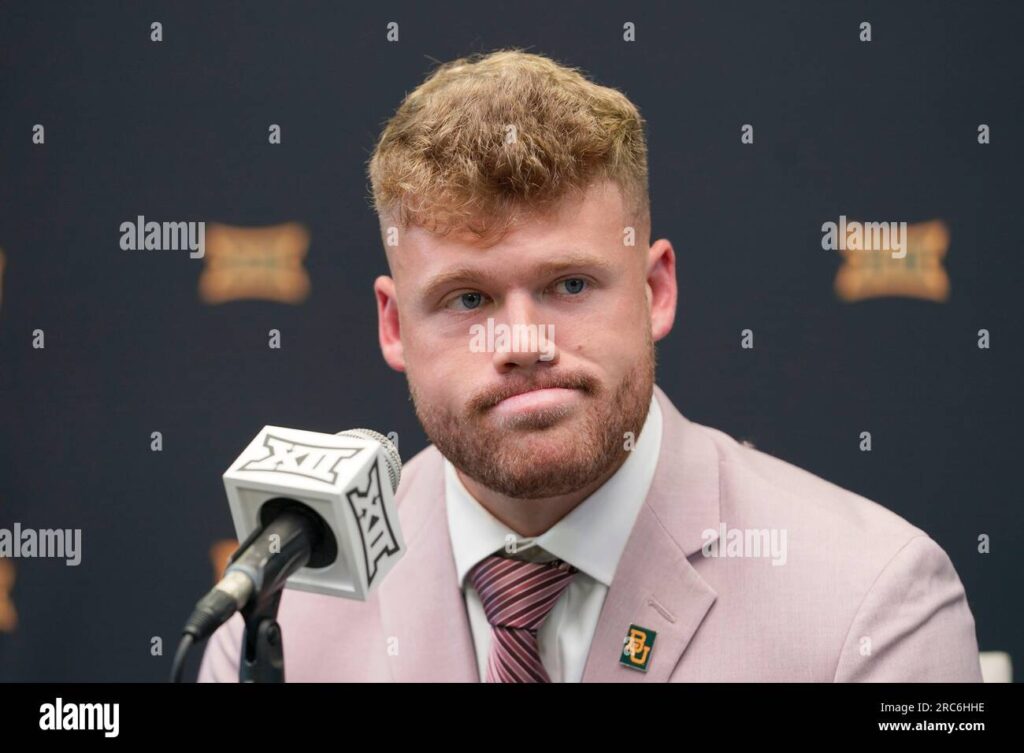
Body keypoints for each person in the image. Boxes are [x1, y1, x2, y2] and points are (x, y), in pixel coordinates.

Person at [198, 49, 982, 682]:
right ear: (396, 325)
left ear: (654, 289)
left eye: (569, 284)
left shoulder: (872, 602)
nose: (522, 341)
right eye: (467, 299)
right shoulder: (283, 608)